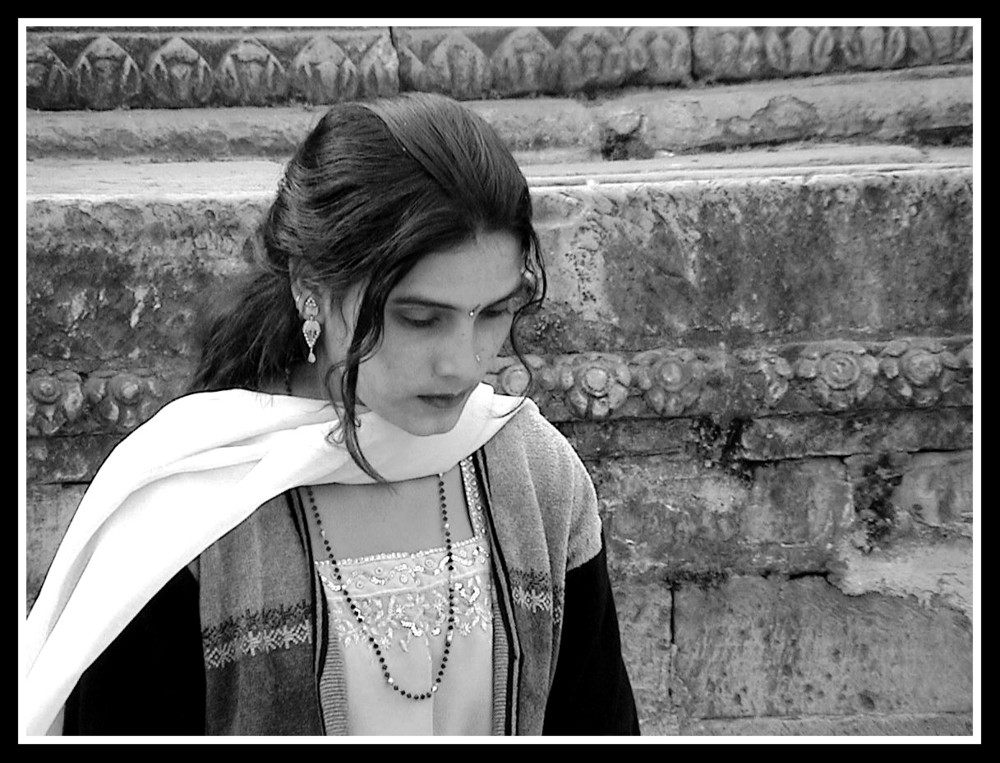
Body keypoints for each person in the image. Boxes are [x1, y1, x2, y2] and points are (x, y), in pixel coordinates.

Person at [25, 93, 639, 736]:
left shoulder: (538, 479)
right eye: (419, 318)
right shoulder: (186, 518)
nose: (463, 363)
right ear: (309, 287)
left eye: (495, 312)